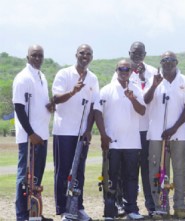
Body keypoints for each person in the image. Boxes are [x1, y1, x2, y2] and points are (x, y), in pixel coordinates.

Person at [51, 44, 99, 221]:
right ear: (76, 55)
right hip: (63, 131)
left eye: (88, 53)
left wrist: (88, 130)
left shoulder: (93, 78)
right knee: (63, 171)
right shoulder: (64, 74)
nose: (85, 56)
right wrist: (73, 91)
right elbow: (55, 99)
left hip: (81, 133)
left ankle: (77, 207)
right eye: (82, 53)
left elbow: (94, 106)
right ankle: (64, 209)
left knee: (79, 171)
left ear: (91, 57)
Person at [95, 59, 146, 220]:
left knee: (131, 177)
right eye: (121, 69)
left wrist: (132, 99)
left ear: (132, 72)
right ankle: (110, 212)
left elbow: (143, 111)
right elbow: (97, 112)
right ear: (116, 70)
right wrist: (103, 135)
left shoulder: (136, 89)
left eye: (127, 69)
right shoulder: (106, 90)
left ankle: (131, 209)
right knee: (111, 178)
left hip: (132, 142)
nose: (124, 72)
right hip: (113, 142)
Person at [110, 41, 157, 216]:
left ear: (145, 54)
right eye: (133, 53)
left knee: (146, 169)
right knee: (125, 169)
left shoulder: (153, 72)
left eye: (140, 53)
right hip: (128, 129)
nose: (136, 57)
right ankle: (123, 203)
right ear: (129, 53)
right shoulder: (121, 72)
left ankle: (150, 204)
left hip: (147, 128)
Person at [144, 51, 185, 219]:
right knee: (157, 172)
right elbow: (146, 100)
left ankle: (180, 206)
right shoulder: (153, 79)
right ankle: (160, 206)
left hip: (180, 134)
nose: (168, 62)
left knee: (180, 171)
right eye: (164, 60)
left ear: (176, 62)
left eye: (171, 60)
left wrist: (174, 128)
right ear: (161, 62)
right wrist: (154, 85)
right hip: (157, 134)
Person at [13, 45, 54, 221]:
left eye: (40, 55)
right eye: (34, 55)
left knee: (35, 179)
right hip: (29, 138)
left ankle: (34, 213)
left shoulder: (41, 76)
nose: (37, 58)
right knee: (25, 178)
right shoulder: (23, 78)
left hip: (42, 136)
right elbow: (19, 108)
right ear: (27, 57)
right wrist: (31, 133)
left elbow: (41, 104)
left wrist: (51, 106)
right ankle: (22, 215)